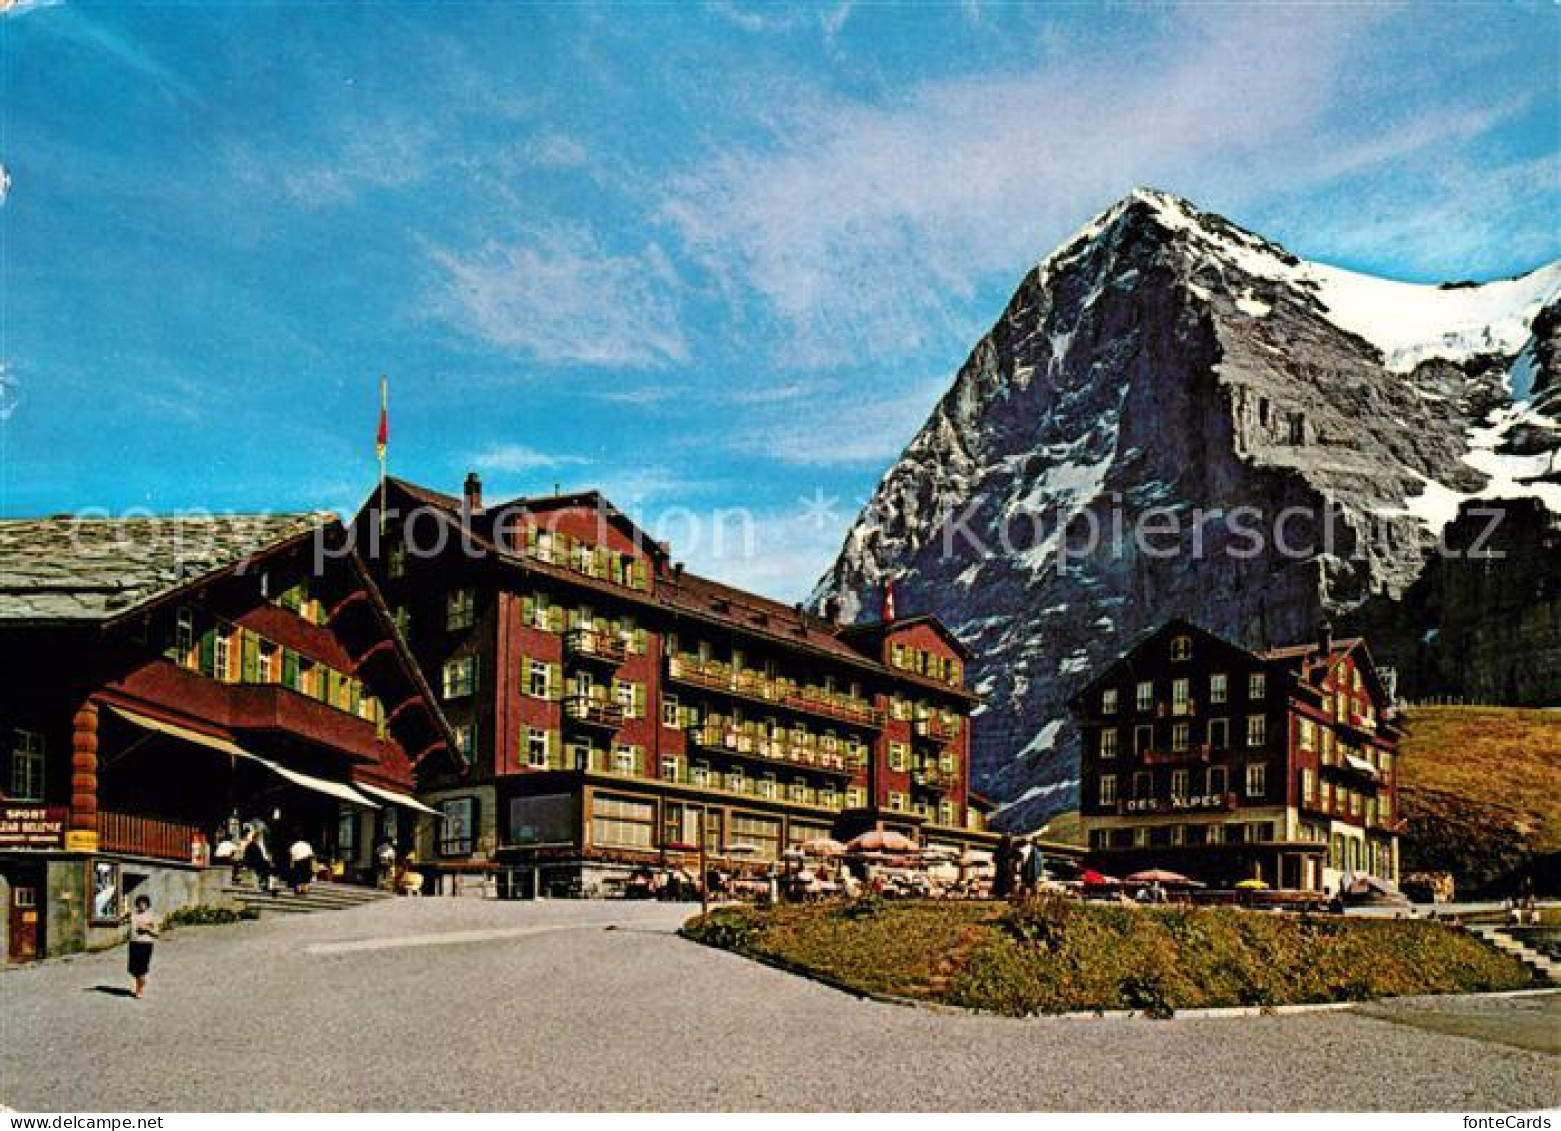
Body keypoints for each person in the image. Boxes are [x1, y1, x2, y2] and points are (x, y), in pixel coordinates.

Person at [123, 895, 160, 999]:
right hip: (134, 944)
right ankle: (141, 980)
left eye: (144, 904)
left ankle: (139, 991)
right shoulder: (133, 916)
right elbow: (123, 918)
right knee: (132, 969)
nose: (141, 906)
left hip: (146, 944)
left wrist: (147, 929)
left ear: (147, 905)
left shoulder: (151, 917)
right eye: (140, 904)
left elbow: (157, 933)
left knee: (141, 968)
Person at [243, 829, 273, 893]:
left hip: (256, 862)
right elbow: (254, 857)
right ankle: (263, 883)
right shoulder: (251, 846)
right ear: (255, 838)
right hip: (253, 863)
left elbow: (260, 856)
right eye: (258, 838)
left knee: (268, 868)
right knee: (266, 868)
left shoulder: (255, 846)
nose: (259, 840)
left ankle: (264, 883)